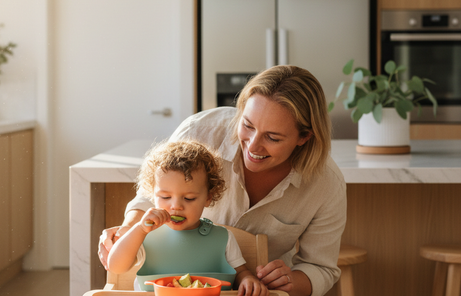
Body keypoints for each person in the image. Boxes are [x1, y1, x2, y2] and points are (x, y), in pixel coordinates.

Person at [99, 65, 347, 296]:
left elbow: (321, 268)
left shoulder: (326, 183)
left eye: (272, 137)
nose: (253, 145)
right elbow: (151, 191)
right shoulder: (201, 131)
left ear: (303, 137)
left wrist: (291, 280)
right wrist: (129, 229)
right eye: (247, 125)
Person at [107, 140, 268, 296]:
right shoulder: (145, 235)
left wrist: (248, 279)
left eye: (189, 198)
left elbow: (241, 272)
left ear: (208, 198)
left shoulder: (223, 237)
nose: (176, 206)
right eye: (165, 197)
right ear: (153, 195)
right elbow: (116, 267)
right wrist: (139, 229)